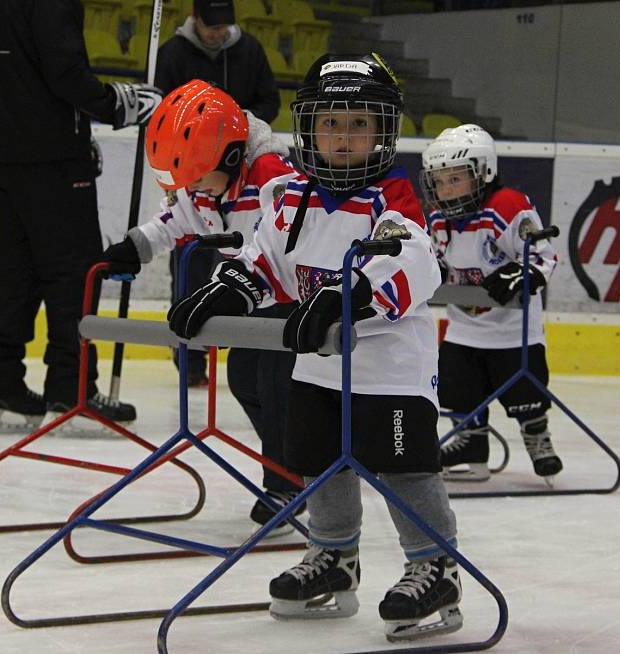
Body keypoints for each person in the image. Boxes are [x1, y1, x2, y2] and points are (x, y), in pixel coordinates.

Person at [167, 54, 463, 642]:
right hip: (319, 367)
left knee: (406, 469)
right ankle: (334, 555)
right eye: (331, 123)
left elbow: (412, 259)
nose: (344, 136)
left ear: (383, 132)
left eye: (360, 124)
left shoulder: (392, 198)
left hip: (389, 371)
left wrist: (345, 295)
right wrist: (223, 293)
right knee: (320, 463)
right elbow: (263, 263)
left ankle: (435, 565)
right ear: (309, 129)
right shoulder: (290, 198)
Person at [102, 79, 304, 534]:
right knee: (244, 379)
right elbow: (177, 219)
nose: (192, 189)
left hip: (293, 299)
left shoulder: (272, 178)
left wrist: (219, 288)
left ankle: (289, 481)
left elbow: (273, 250)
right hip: (254, 299)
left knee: (275, 382)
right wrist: (137, 246)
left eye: (195, 179)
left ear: (232, 155)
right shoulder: (207, 183)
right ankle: (294, 464)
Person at [0, 0, 162, 433]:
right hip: (53, 158)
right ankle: (70, 394)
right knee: (73, 273)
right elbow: (63, 72)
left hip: (6, 153)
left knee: (16, 272)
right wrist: (116, 104)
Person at [420, 124, 562, 483]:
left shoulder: (507, 205)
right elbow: (437, 260)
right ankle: (471, 444)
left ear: (483, 172)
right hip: (464, 330)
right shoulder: (439, 218)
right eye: (439, 181)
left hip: (514, 335)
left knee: (526, 395)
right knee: (455, 389)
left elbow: (543, 256)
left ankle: (536, 437)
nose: (445, 189)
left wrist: (523, 273)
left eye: (455, 179)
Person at [155, 0, 281, 386]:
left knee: (247, 260)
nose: (217, 33)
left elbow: (270, 101)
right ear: (195, 18)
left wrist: (230, 130)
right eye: (211, 26)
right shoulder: (173, 54)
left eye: (223, 26)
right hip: (192, 174)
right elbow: (161, 111)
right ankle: (190, 360)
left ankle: (244, 347)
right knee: (190, 265)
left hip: (233, 171)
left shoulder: (250, 50)